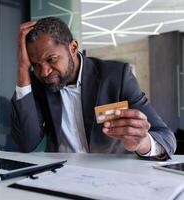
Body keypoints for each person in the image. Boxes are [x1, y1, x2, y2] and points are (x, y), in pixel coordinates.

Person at [11, 17, 176, 161]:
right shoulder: (39, 83)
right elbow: (26, 143)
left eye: (52, 59)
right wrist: (22, 69)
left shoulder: (116, 76)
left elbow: (167, 139)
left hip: (111, 176)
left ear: (73, 48)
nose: (45, 72)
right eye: (36, 65)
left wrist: (143, 142)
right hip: (61, 176)